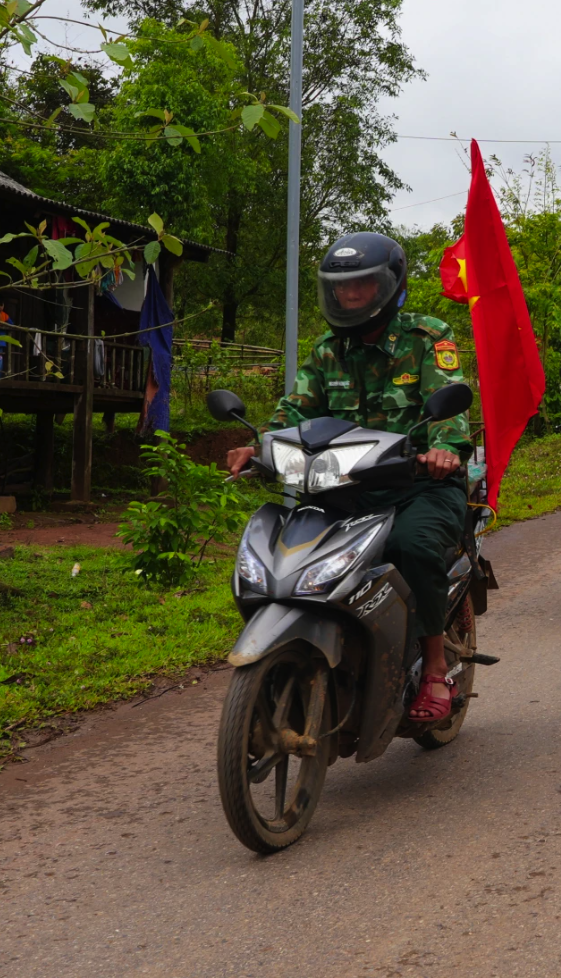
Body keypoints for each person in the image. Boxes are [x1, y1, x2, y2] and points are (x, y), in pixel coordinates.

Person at [225, 232, 473, 724]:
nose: (350, 295)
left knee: (414, 547)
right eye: (342, 288)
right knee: (285, 553)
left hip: (418, 486)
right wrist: (262, 446)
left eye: (361, 285)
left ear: (389, 285)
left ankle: (435, 670)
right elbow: (295, 410)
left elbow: (448, 401)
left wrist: (443, 448)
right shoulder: (325, 350)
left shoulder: (428, 337)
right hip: (341, 489)